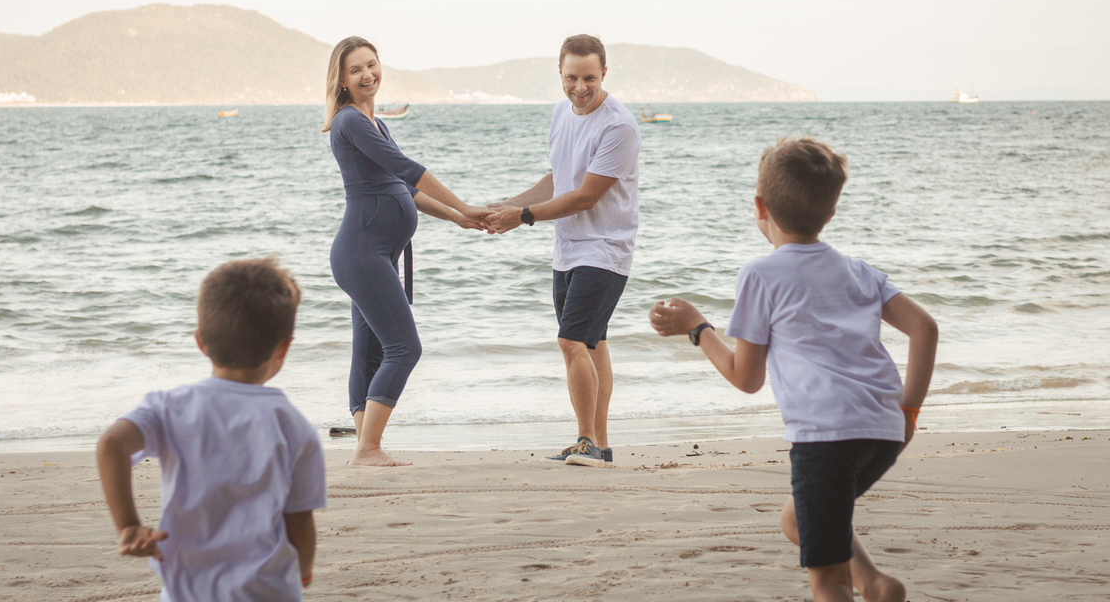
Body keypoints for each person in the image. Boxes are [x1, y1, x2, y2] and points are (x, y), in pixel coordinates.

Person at [648, 137, 938, 602]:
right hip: (883, 430)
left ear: (759, 206)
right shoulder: (861, 271)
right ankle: (877, 584)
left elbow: (747, 378)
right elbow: (925, 328)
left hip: (827, 439)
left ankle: (859, 585)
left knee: (827, 582)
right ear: (832, 210)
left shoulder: (762, 274)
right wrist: (909, 412)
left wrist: (697, 327)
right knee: (797, 519)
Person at [97, 256, 325, 601]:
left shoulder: (168, 407)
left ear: (201, 342)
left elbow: (111, 443)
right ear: (283, 348)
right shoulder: (293, 425)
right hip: (267, 590)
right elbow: (299, 522)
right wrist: (303, 573)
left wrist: (128, 524)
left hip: (185, 589)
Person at [323, 36, 491, 468]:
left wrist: (457, 217)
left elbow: (406, 190)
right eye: (356, 69)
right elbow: (408, 169)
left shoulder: (375, 123)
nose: (367, 74)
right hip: (362, 253)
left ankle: (366, 445)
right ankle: (368, 449)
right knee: (404, 347)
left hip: (371, 254)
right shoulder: (350, 122)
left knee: (371, 350)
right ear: (341, 80)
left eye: (372, 64)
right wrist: (465, 203)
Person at [487, 34, 641, 468]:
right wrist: (507, 206)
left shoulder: (619, 126)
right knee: (593, 345)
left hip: (606, 249)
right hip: (568, 248)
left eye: (589, 77)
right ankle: (602, 446)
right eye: (571, 77)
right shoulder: (560, 113)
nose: (580, 86)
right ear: (560, 72)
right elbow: (559, 180)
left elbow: (587, 196)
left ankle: (586, 440)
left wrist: (524, 216)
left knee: (571, 339)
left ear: (604, 73)